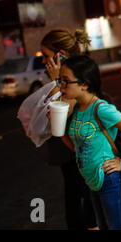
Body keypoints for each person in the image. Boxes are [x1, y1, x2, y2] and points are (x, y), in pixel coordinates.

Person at [59, 55, 121, 230]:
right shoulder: (77, 109)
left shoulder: (101, 109)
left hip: (109, 180)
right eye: (59, 80)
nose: (61, 86)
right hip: (92, 181)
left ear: (84, 84)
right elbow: (78, 148)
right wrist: (59, 129)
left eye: (66, 81)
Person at [40, 28, 98, 230]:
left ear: (61, 54)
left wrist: (57, 82)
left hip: (79, 154)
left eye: (45, 55)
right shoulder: (66, 79)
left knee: (85, 211)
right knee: (75, 206)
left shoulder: (76, 80)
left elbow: (67, 108)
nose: (43, 61)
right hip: (69, 154)